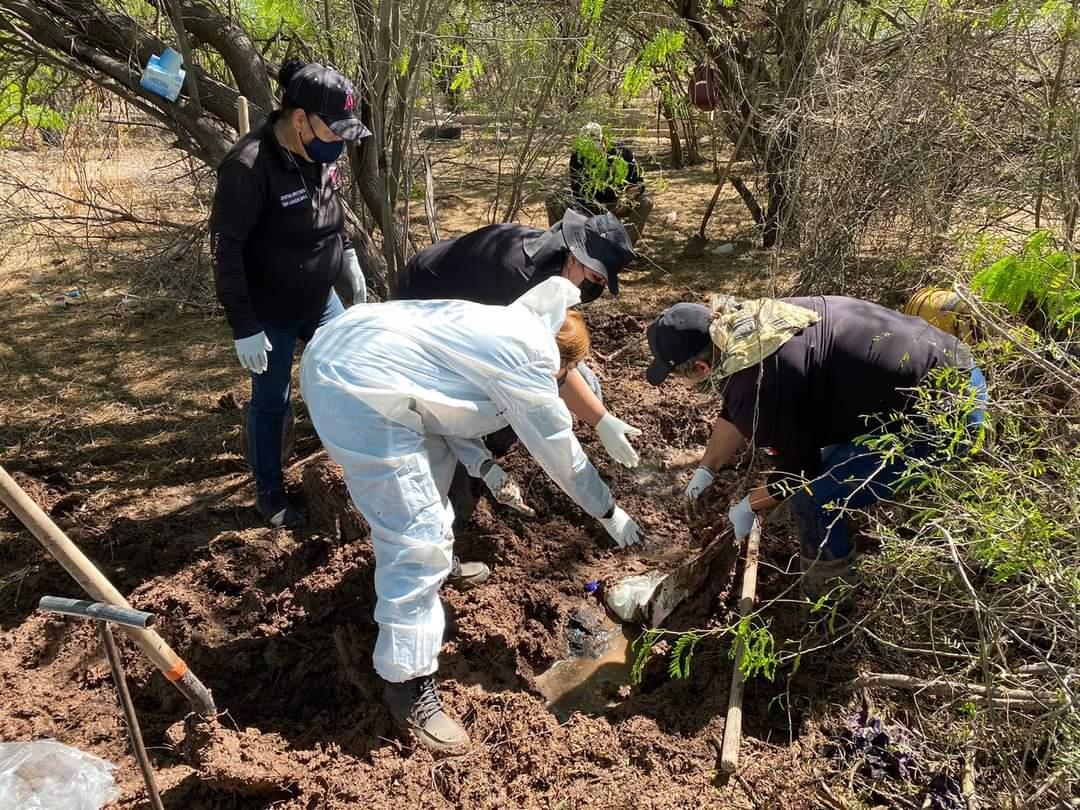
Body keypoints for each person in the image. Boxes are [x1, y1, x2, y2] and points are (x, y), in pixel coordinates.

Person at [299, 277, 644, 751]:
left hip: (361, 358)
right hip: (357, 387)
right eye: (569, 380)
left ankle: (441, 573)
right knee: (417, 534)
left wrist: (488, 470)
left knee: (434, 479)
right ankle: (408, 685)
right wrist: (609, 511)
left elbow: (442, 400)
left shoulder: (513, 326)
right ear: (562, 366)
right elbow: (560, 454)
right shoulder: (530, 360)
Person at [644, 295, 986, 599]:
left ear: (701, 367)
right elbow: (736, 410)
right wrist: (707, 469)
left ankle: (830, 603)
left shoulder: (759, 384)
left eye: (676, 374)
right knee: (819, 465)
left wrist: (748, 506)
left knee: (813, 500)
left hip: (944, 420)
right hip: (951, 366)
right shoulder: (753, 325)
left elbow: (798, 474)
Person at [210, 59, 370, 529]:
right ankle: (270, 492)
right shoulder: (247, 168)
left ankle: (354, 465)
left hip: (320, 301)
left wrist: (351, 258)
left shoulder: (320, 156)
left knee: (350, 377)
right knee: (272, 400)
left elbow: (331, 217)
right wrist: (244, 325)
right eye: (334, 131)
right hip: (271, 312)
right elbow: (226, 252)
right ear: (299, 119)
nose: (339, 144)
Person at [395, 209, 642, 469]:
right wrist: (600, 419)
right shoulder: (522, 280)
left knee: (586, 384)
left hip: (465, 292)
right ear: (574, 257)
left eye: (602, 282)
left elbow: (556, 351)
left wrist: (598, 417)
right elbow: (545, 366)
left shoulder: (561, 260)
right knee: (501, 396)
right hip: (424, 303)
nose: (595, 289)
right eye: (595, 278)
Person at [545, 122, 654, 246]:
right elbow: (577, 190)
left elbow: (639, 183)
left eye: (595, 141)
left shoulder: (622, 153)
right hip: (588, 205)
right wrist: (594, 215)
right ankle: (564, 245)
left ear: (603, 140)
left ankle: (623, 246)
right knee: (553, 199)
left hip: (617, 203)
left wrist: (629, 195)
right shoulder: (578, 156)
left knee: (646, 202)